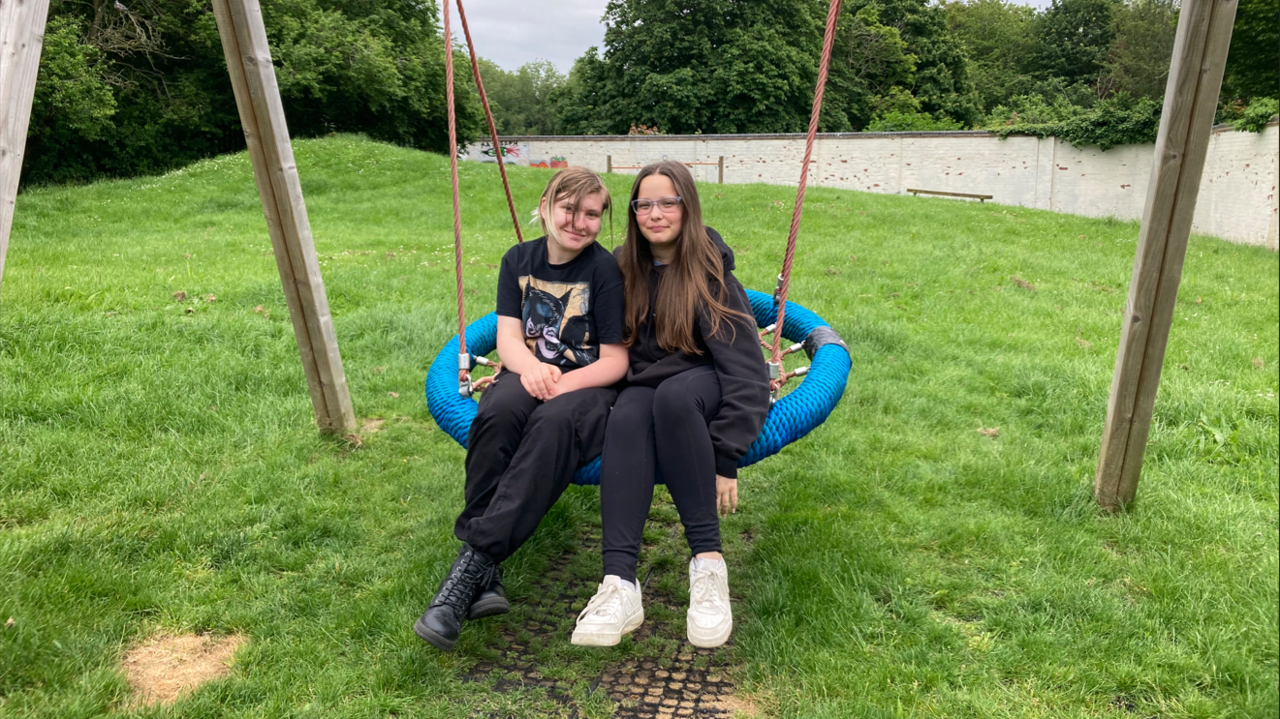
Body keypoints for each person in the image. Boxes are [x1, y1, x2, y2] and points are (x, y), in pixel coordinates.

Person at [416, 167, 629, 651]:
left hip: (588, 384)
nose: (579, 222)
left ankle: (467, 574)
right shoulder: (519, 259)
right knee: (497, 415)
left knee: (552, 427)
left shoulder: (603, 271)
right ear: (547, 205)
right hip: (526, 371)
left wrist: (561, 384)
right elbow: (509, 336)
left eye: (592, 214)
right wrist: (530, 370)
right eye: (569, 209)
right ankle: (485, 575)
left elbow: (616, 361)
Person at [572, 161, 769, 649]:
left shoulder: (708, 272)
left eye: (668, 202)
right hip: (644, 384)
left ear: (687, 206)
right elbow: (592, 334)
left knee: (675, 396)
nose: (655, 213)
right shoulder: (621, 269)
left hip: (704, 380)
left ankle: (708, 565)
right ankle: (619, 583)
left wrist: (726, 455)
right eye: (644, 204)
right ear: (634, 212)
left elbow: (746, 369)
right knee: (632, 411)